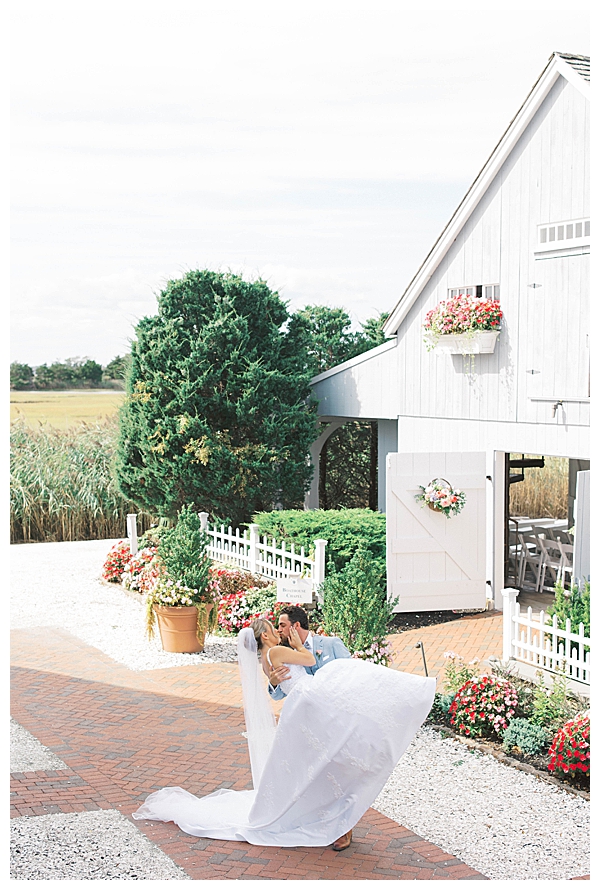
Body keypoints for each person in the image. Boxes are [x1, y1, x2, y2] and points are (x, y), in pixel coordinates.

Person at [132, 617, 436, 850]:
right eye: (274, 628)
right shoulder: (278, 650)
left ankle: (336, 815)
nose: (279, 630)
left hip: (304, 707)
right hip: (310, 703)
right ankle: (412, 694)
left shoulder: (269, 660)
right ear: (266, 635)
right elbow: (310, 661)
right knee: (345, 681)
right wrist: (297, 644)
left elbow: (284, 678)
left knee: (322, 760)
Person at [267, 605, 351, 701]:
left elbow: (350, 672)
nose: (279, 630)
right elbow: (278, 696)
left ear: (296, 626)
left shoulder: (331, 643)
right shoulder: (286, 654)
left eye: (283, 625)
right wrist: (273, 683)